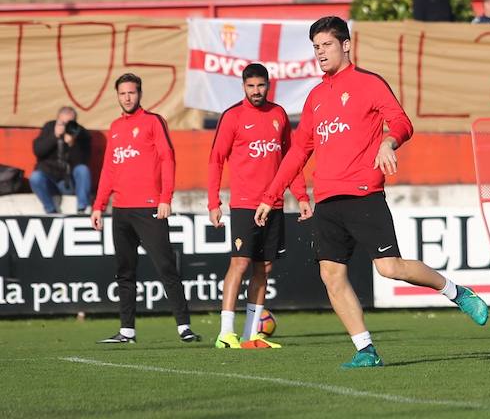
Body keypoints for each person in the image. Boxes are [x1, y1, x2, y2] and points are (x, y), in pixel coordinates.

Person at [255, 16, 488, 369]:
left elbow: (401, 122)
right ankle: (366, 350)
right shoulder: (316, 97)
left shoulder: (368, 83)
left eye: (327, 45)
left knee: (390, 267)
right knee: (331, 276)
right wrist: (270, 195)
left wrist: (388, 142)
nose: (320, 52)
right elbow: (299, 152)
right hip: (328, 201)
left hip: (363, 193)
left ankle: (456, 292)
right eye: (316, 47)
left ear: (346, 45)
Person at [90, 73, 200, 344]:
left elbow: (167, 158)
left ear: (139, 94)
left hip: (150, 207)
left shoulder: (152, 122)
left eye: (132, 92)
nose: (127, 97)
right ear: (118, 96)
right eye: (123, 93)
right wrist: (98, 205)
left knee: (165, 268)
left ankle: (184, 327)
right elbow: (109, 169)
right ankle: (127, 331)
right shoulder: (115, 127)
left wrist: (165, 197)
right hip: (121, 210)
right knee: (125, 271)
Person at [208, 63, 302, 349]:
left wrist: (302, 196)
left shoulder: (278, 115)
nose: (256, 91)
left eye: (261, 85)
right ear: (243, 87)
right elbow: (216, 159)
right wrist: (214, 201)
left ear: (268, 85)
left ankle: (251, 334)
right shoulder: (233, 116)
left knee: (265, 267)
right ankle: (226, 333)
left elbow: (291, 160)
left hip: (274, 205)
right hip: (245, 205)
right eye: (251, 86)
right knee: (240, 263)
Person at [30, 106, 92, 214]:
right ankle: (51, 210)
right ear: (57, 120)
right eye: (62, 122)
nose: (65, 126)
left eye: (69, 123)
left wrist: (72, 144)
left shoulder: (80, 133)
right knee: (35, 177)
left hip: (69, 183)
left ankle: (82, 208)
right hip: (50, 180)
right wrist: (54, 136)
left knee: (82, 169)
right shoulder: (49, 128)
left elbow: (83, 161)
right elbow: (38, 151)